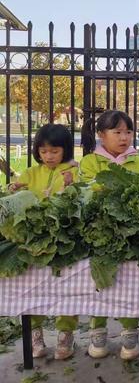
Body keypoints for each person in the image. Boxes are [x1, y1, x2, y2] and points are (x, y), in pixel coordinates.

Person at [80, 110, 139, 361]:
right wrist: (117, 183)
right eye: (117, 132)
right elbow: (87, 190)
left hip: (132, 233)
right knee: (98, 279)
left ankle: (130, 331)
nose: (124, 137)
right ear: (101, 134)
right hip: (98, 231)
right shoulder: (89, 162)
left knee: (131, 281)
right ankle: (97, 329)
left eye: (128, 132)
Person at [10, 124, 78, 360]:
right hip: (33, 241)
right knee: (32, 287)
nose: (48, 156)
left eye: (54, 151)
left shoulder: (72, 170)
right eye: (43, 151)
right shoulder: (30, 173)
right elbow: (16, 195)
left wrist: (70, 184)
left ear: (66, 150)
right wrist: (15, 187)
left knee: (68, 286)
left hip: (64, 239)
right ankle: (34, 334)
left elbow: (78, 199)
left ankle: (65, 334)